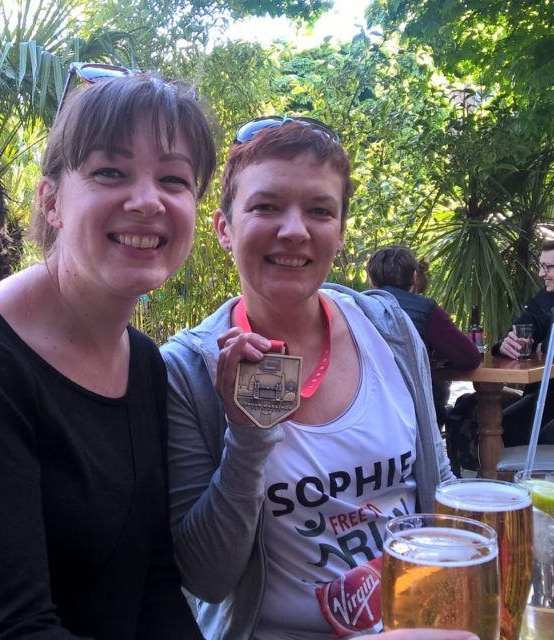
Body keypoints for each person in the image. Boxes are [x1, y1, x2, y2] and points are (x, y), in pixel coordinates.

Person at [0, 68, 216, 639]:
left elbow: (152, 582)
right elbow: (10, 629)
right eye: (110, 171)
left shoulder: (146, 365)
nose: (148, 201)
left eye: (174, 180)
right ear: (51, 201)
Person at [162, 116, 454, 640]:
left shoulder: (388, 330)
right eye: (266, 206)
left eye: (319, 210)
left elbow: (438, 484)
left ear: (340, 232)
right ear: (224, 228)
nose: (294, 230)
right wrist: (248, 439)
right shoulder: (186, 370)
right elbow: (205, 578)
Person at [366, 245, 481, 428]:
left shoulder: (355, 306)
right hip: (416, 415)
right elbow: (470, 358)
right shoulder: (426, 309)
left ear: (371, 280)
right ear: (414, 278)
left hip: (367, 412)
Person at [492, 239, 554, 446]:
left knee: (546, 437)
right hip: (546, 395)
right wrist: (504, 345)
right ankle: (508, 478)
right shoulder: (546, 299)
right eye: (540, 266)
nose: (541, 274)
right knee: (506, 425)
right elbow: (521, 328)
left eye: (548, 267)